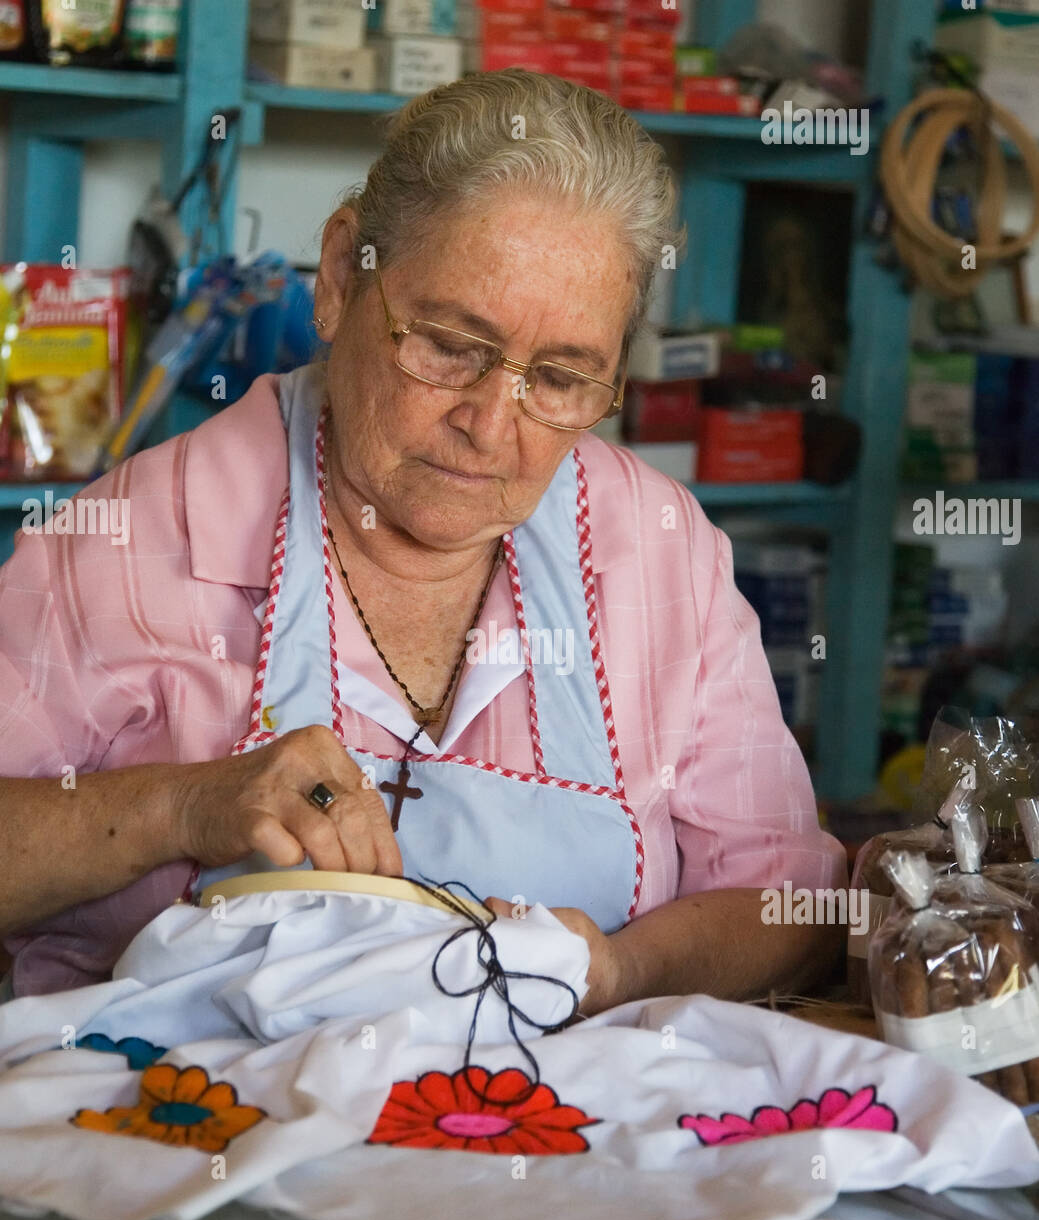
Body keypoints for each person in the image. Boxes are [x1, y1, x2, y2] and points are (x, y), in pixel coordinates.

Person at [0, 69, 847, 1006]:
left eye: (561, 379)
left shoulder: (655, 549)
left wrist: (618, 971)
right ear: (337, 276)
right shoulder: (131, 542)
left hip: (555, 1133)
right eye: (448, 344)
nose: (490, 424)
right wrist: (179, 805)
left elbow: (792, 900)